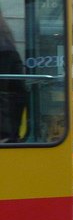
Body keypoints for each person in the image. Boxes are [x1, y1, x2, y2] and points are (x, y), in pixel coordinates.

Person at [0, 13, 26, 143]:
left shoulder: (3, 49)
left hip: (5, 132)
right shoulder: (7, 42)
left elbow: (2, 93)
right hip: (11, 129)